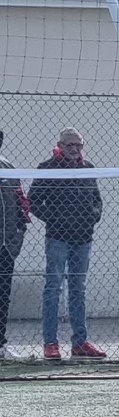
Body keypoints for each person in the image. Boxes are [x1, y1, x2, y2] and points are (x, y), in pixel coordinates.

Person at [29, 127, 105, 361]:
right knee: (53, 288)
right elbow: (33, 201)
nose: (74, 149)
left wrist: (92, 216)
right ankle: (50, 343)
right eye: (70, 145)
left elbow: (97, 201)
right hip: (57, 238)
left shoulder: (88, 168)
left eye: (78, 145)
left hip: (84, 239)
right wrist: (56, 219)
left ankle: (80, 342)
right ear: (60, 145)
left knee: (78, 289)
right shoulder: (47, 168)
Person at [0, 132, 30, 361]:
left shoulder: (7, 166)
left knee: (2, 295)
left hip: (6, 246)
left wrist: (18, 234)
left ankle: (1, 344)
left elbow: (20, 202)